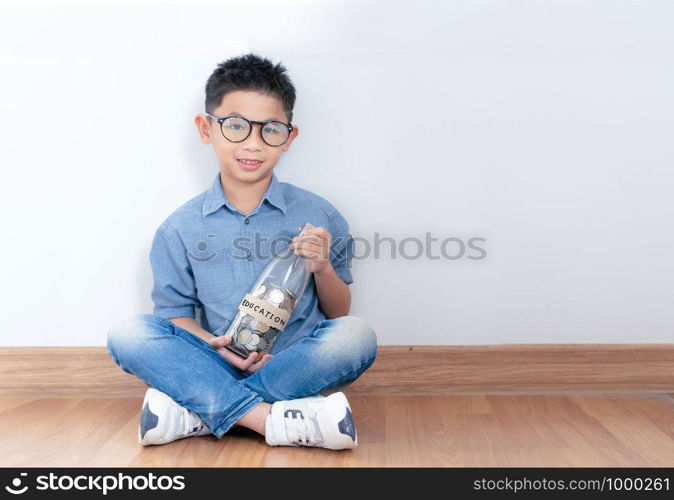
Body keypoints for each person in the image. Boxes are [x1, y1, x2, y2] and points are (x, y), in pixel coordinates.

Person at [106, 53, 378, 451]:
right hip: (217, 360)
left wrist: (321, 267)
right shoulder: (179, 228)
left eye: (270, 129)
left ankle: (199, 411)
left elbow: (338, 313)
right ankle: (269, 418)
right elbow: (175, 317)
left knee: (357, 336)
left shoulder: (320, 216)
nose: (252, 143)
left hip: (293, 365)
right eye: (235, 125)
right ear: (206, 128)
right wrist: (212, 344)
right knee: (128, 333)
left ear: (289, 136)